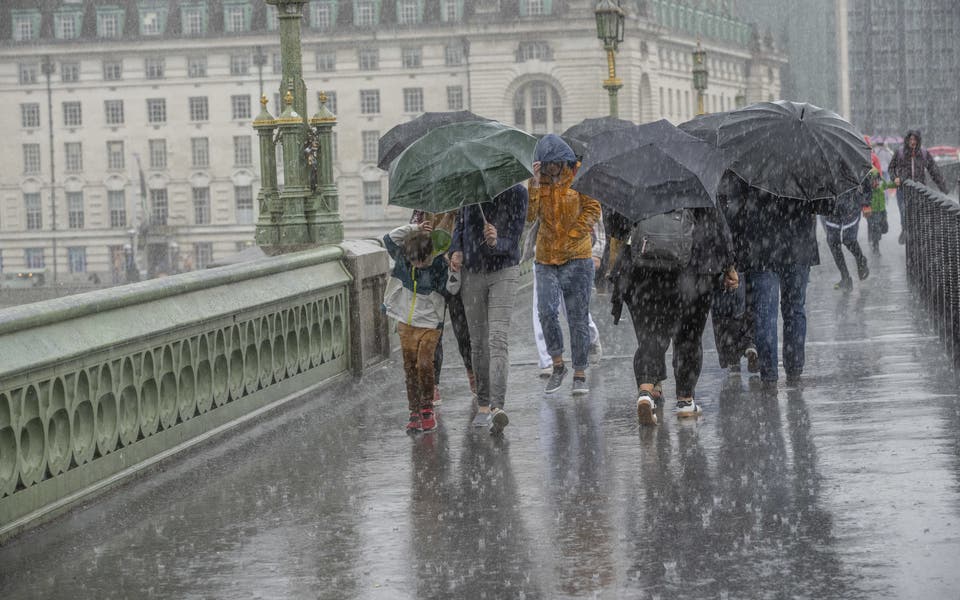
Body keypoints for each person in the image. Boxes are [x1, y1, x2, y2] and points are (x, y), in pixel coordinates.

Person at [609, 207, 739, 425]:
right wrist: (729, 265)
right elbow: (716, 224)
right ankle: (685, 400)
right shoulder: (696, 178)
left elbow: (617, 224)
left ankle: (646, 390)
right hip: (695, 270)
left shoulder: (638, 178)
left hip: (645, 268)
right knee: (689, 335)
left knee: (652, 334)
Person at [450, 184, 528, 436]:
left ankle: (497, 406)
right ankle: (483, 404)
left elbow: (516, 235)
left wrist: (498, 240)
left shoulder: (517, 192)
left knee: (497, 338)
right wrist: (455, 250)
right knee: (478, 342)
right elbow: (459, 226)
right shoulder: (468, 190)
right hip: (472, 271)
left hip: (504, 269)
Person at [527, 134, 602, 396]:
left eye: (554, 164)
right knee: (546, 311)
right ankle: (558, 364)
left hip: (577, 257)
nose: (551, 169)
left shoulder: (580, 176)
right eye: (545, 165)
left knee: (577, 316)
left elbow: (593, 209)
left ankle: (580, 371)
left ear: (563, 161)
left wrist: (575, 234)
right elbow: (529, 216)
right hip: (546, 257)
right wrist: (535, 185)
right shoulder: (538, 181)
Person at [726, 184, 819, 388]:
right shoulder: (806, 164)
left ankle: (769, 375)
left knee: (765, 313)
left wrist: (734, 251)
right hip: (798, 246)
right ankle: (794, 369)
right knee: (794, 309)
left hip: (762, 247)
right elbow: (825, 204)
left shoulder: (750, 165)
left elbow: (736, 211)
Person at [382, 221, 454, 433]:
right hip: (406, 322)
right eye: (414, 261)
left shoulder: (439, 264)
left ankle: (427, 408)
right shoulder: (404, 259)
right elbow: (388, 238)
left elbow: (450, 291)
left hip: (431, 323)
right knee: (410, 368)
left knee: (424, 364)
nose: (418, 265)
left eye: (422, 261)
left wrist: (453, 271)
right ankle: (413, 411)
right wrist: (413, 228)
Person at [409, 210, 475, 403]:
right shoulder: (423, 208)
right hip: (432, 275)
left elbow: (470, 233)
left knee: (463, 330)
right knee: (433, 331)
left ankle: (472, 373)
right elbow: (414, 239)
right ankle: (433, 384)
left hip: (457, 272)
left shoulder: (463, 206)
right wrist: (424, 236)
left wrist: (455, 251)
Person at [530, 219, 604, 377]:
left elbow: (596, 217)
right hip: (545, 253)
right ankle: (547, 360)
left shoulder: (582, 194)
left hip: (575, 253)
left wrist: (597, 252)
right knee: (543, 309)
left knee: (574, 308)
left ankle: (591, 338)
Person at [887, 129, 949, 243]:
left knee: (918, 217)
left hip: (920, 191)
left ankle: (916, 241)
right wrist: (894, 177)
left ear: (918, 140)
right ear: (907, 140)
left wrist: (943, 187)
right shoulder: (900, 152)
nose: (912, 142)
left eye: (915, 139)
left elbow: (934, 170)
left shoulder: (924, 153)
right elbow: (891, 168)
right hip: (903, 191)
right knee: (905, 216)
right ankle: (905, 230)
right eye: (910, 139)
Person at [821, 180, 870, 291]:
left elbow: (866, 179)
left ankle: (861, 260)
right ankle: (845, 278)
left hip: (851, 205)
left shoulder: (851, 163)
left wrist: (867, 204)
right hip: (831, 208)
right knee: (833, 242)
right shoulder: (821, 165)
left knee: (848, 240)